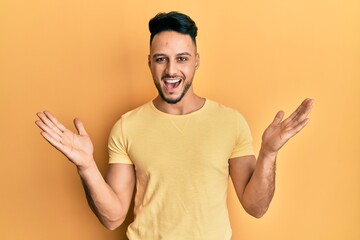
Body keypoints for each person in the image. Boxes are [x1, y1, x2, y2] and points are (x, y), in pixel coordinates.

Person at [35, 11, 313, 240]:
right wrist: (86, 167)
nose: (170, 70)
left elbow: (256, 207)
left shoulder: (230, 122)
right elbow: (113, 218)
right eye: (161, 59)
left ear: (196, 62)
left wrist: (268, 153)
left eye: (181, 59)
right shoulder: (127, 127)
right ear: (149, 63)